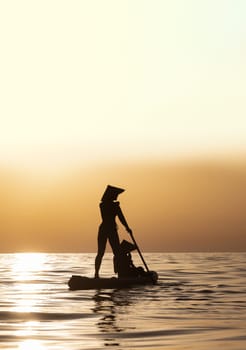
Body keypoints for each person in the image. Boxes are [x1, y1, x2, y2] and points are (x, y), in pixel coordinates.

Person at [94, 185, 132, 278]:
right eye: (116, 194)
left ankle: (121, 274)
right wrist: (127, 227)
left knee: (116, 252)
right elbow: (120, 217)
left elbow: (121, 217)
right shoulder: (105, 205)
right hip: (108, 229)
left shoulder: (111, 205)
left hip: (108, 229)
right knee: (101, 252)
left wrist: (127, 227)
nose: (117, 196)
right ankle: (96, 274)